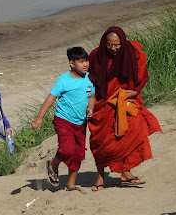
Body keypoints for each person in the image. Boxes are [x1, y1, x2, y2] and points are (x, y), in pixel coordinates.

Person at [87, 26, 162, 191]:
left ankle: (126, 173)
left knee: (128, 134)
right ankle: (100, 177)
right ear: (104, 43)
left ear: (123, 42)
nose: (113, 48)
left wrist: (135, 91)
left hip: (125, 101)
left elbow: (144, 76)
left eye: (117, 45)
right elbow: (88, 77)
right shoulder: (96, 55)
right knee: (100, 141)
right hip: (102, 103)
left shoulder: (132, 53)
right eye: (109, 45)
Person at [31, 47, 96, 193]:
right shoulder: (63, 80)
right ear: (71, 64)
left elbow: (92, 96)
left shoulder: (89, 78)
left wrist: (90, 109)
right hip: (63, 120)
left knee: (78, 155)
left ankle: (71, 185)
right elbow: (51, 98)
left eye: (86, 60)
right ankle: (53, 164)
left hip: (80, 122)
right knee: (67, 149)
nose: (85, 64)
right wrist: (39, 117)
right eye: (81, 61)